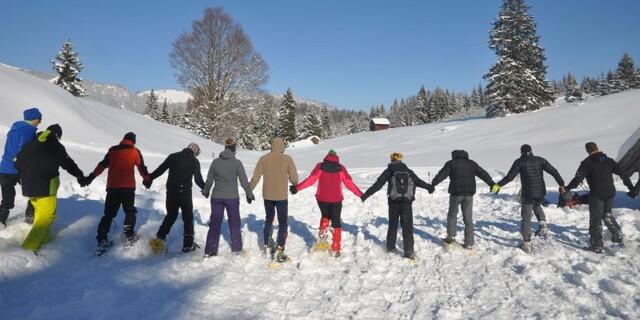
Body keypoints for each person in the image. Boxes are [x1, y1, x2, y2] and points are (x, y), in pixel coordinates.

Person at [15, 124, 85, 252]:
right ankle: (28, 248)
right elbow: (68, 164)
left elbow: (18, 162)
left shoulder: (31, 144)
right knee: (46, 217)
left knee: (39, 214)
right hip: (46, 187)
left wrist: (24, 177)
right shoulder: (56, 146)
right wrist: (80, 175)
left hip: (29, 187)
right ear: (57, 135)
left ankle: (43, 240)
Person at [81, 132, 150, 252]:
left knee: (108, 214)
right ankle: (128, 235)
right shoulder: (135, 151)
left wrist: (91, 177)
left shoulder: (113, 150)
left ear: (123, 139)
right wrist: (147, 180)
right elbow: (142, 167)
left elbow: (102, 165)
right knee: (129, 211)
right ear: (133, 141)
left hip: (113, 187)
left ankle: (101, 239)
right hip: (128, 188)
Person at [360, 152, 434, 260]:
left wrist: (365, 195)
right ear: (401, 160)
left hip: (393, 202)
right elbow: (418, 182)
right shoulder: (408, 171)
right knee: (407, 226)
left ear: (391, 160)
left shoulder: (389, 171)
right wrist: (429, 187)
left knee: (393, 224)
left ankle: (390, 248)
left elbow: (378, 185)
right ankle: (409, 252)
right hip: (407, 203)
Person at [291, 149, 363, 257]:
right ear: (336, 158)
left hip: (322, 198)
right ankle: (336, 247)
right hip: (336, 199)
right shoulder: (341, 168)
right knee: (336, 222)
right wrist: (360, 194)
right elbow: (348, 183)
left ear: (327, 157)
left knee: (325, 216)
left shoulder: (320, 166)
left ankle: (322, 240)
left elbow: (312, 179)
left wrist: (297, 188)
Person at [494, 144, 565, 253]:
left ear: (521, 152)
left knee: (526, 217)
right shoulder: (540, 160)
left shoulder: (519, 161)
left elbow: (510, 177)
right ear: (531, 151)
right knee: (537, 204)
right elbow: (553, 171)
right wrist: (561, 183)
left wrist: (498, 185)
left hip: (528, 194)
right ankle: (542, 224)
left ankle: (526, 243)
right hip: (541, 192)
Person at [565, 142, 634, 253]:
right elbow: (623, 173)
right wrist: (630, 187)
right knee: (607, 214)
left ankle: (596, 245)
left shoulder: (587, 163)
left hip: (597, 194)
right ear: (597, 148)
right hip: (610, 192)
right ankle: (617, 233)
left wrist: (567, 188)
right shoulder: (608, 160)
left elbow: (577, 179)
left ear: (587, 151)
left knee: (595, 220)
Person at [431, 150, 496, 250]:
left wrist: (433, 183)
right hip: (469, 194)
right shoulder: (472, 164)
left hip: (456, 194)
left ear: (454, 155)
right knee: (468, 218)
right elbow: (483, 174)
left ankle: (451, 237)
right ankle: (469, 243)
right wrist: (491, 183)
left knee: (452, 214)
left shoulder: (451, 163)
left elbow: (442, 174)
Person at [146, 143, 205, 253]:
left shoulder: (173, 156)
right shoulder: (194, 161)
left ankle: (159, 239)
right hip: (185, 194)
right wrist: (206, 188)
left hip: (171, 192)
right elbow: (198, 180)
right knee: (187, 218)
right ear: (195, 152)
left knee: (171, 215)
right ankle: (188, 244)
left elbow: (161, 169)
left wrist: (149, 178)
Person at [201, 138, 254, 257]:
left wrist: (206, 191)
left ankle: (210, 251)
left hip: (216, 197)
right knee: (234, 222)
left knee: (215, 223)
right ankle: (236, 249)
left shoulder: (215, 162)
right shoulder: (237, 163)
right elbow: (244, 181)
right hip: (232, 198)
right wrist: (249, 194)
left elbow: (209, 180)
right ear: (233, 149)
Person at [249, 137, 298, 262]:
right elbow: (294, 178)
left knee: (269, 219)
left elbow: (256, 177)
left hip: (268, 196)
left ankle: (266, 244)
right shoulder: (287, 159)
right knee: (282, 222)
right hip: (281, 196)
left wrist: (249, 191)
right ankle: (280, 248)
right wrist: (294, 183)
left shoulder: (263, 158)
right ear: (282, 146)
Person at [0, 107, 41, 226]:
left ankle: (1, 222)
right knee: (34, 191)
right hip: (18, 168)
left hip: (4, 168)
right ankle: (30, 219)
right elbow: (23, 150)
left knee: (7, 198)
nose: (40, 121)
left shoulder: (16, 128)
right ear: (34, 119)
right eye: (39, 119)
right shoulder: (29, 130)